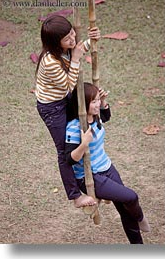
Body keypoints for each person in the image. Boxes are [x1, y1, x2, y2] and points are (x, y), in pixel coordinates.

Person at [65, 82, 151, 244]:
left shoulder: (95, 116)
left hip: (107, 167)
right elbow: (69, 160)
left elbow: (106, 116)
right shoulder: (74, 127)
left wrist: (103, 102)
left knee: (125, 210)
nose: (98, 104)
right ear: (82, 104)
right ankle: (140, 218)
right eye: (94, 101)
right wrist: (84, 144)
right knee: (131, 197)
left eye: (98, 100)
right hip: (90, 176)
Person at [35, 15, 100, 208]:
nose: (72, 40)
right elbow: (68, 86)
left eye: (72, 33)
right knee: (64, 150)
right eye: (67, 38)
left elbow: (78, 48)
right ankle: (75, 197)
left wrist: (92, 39)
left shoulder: (64, 47)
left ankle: (96, 178)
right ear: (56, 43)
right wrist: (78, 58)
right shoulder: (49, 62)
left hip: (63, 99)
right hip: (52, 107)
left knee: (84, 132)